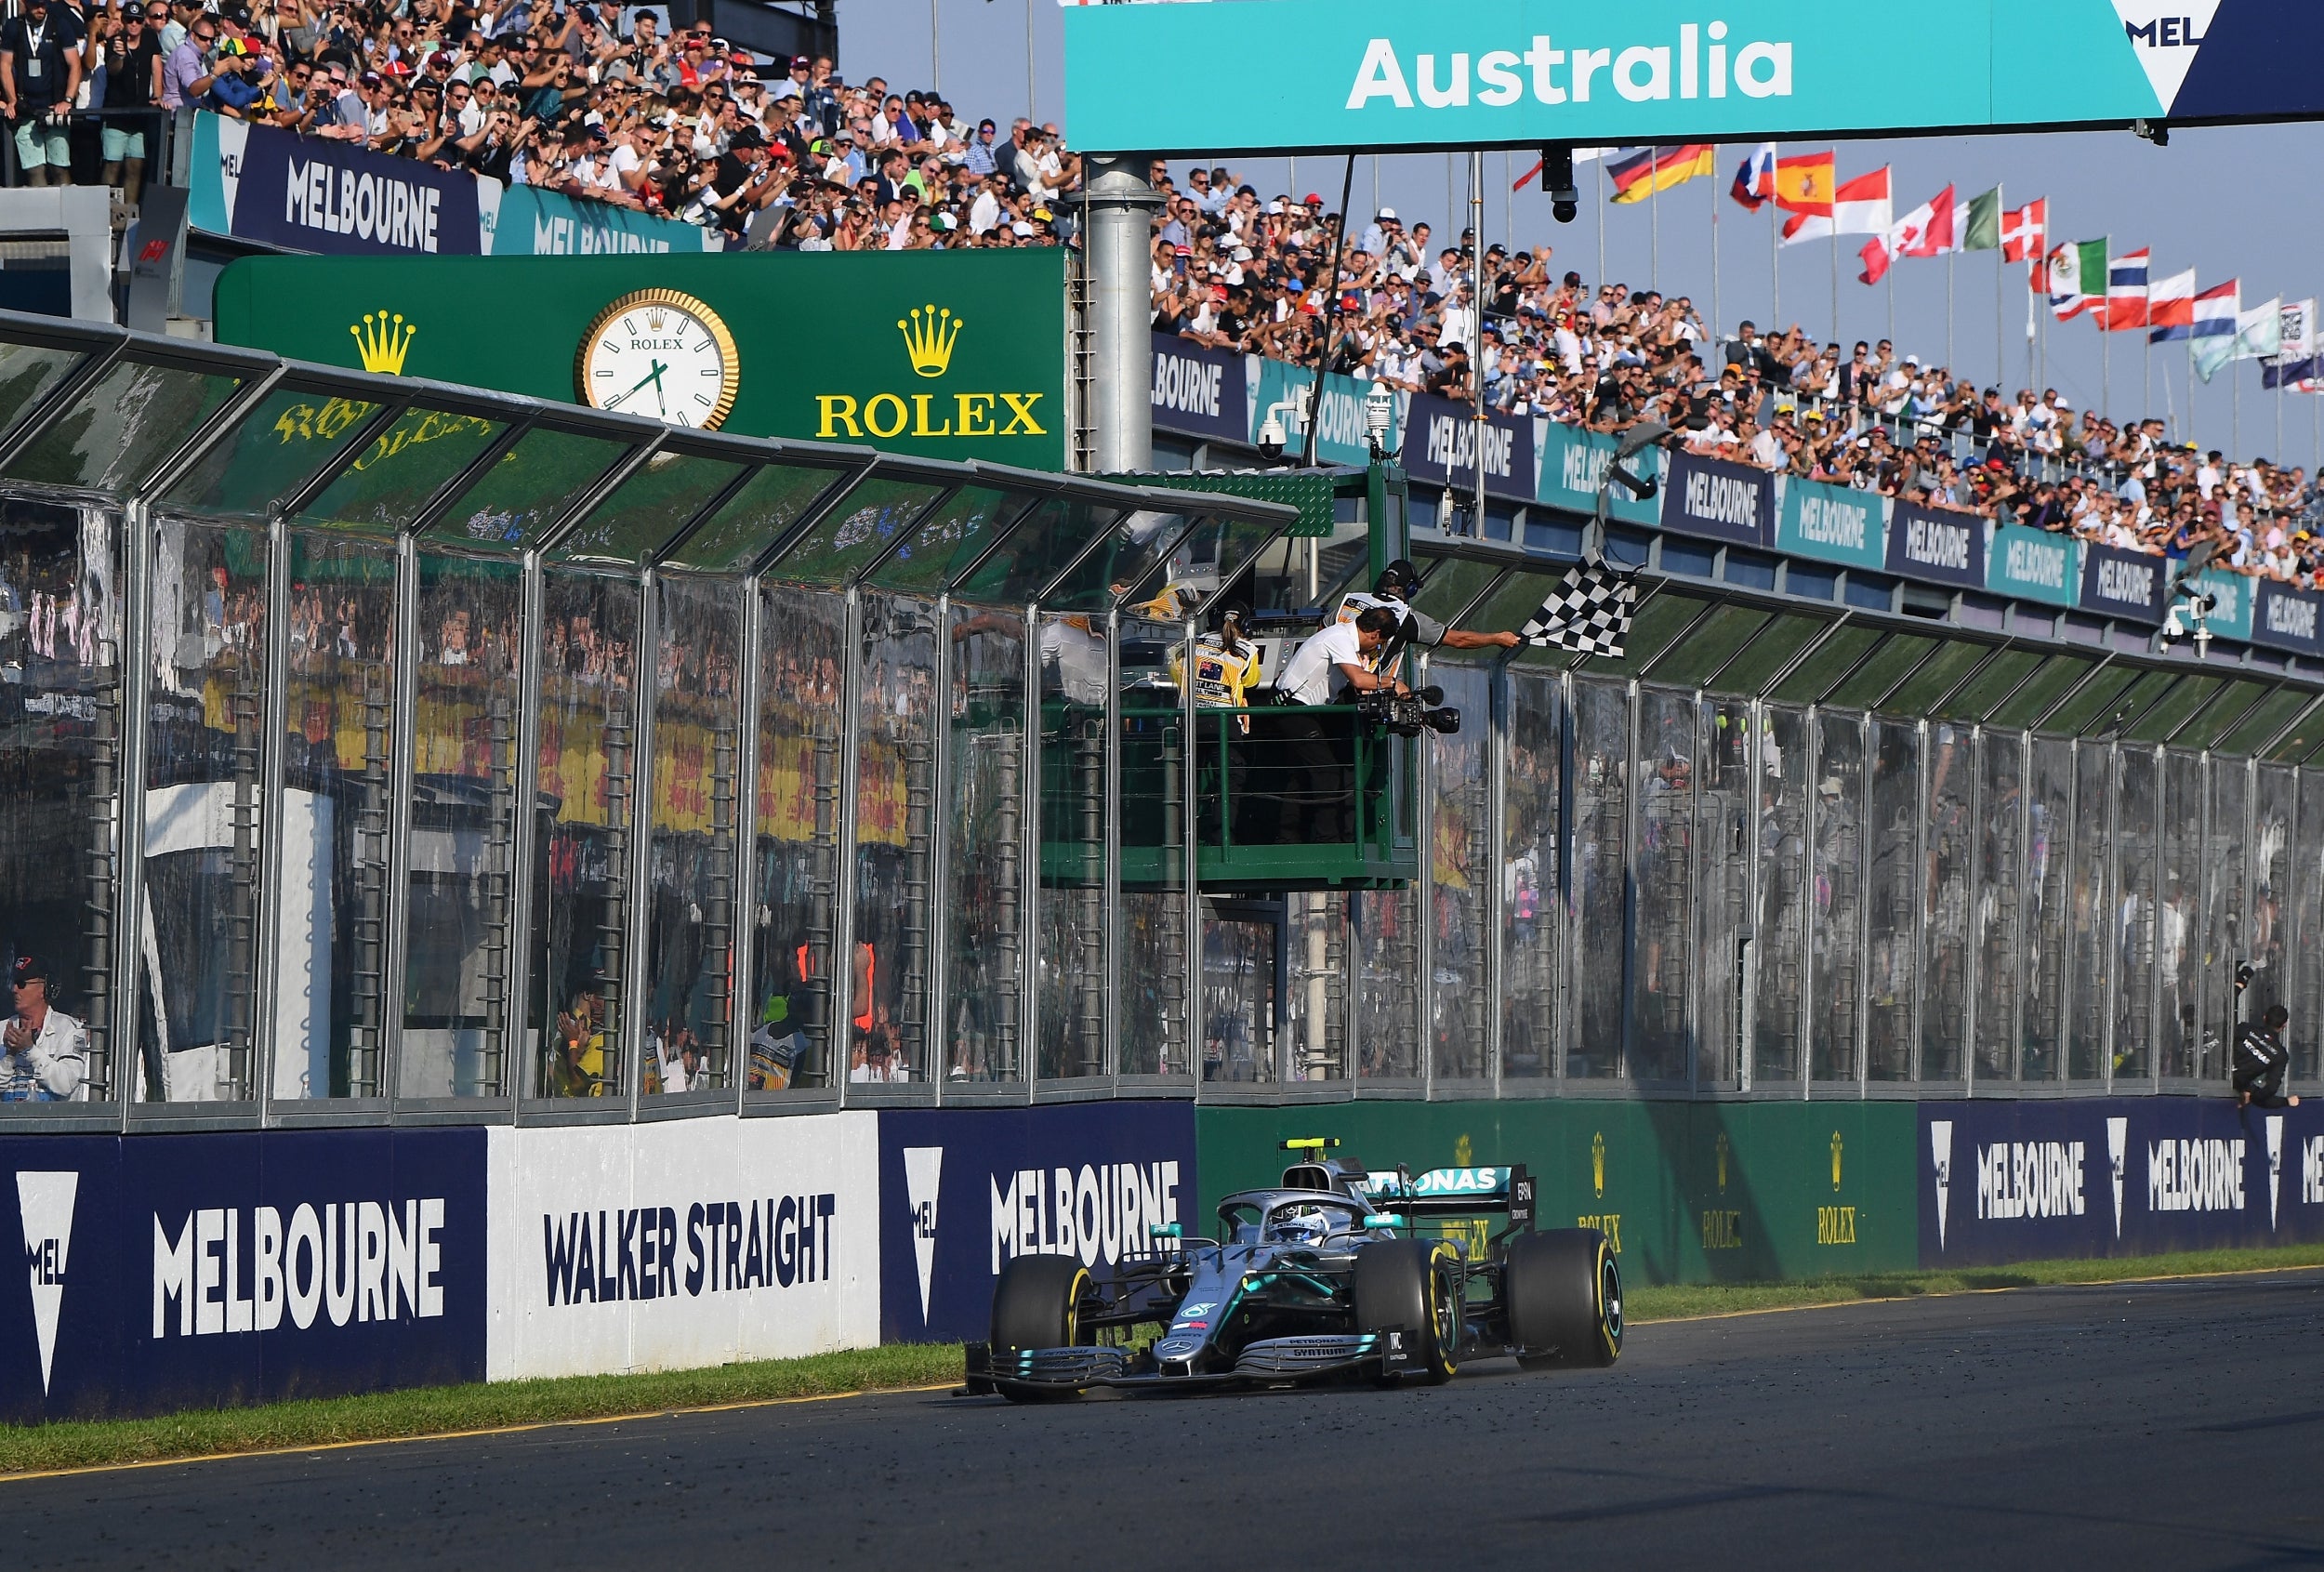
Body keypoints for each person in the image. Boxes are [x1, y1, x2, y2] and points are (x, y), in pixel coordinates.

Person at [1259, 604, 1403, 843]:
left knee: (1302, 774)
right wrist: (1394, 683)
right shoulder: (1340, 638)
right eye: (1379, 643)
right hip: (1293, 707)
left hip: (1304, 709)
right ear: (1375, 634)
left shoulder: (1344, 638)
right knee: (1326, 773)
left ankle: (1287, 837)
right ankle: (1328, 840)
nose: (1377, 648)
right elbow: (1358, 679)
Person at [1334, 559, 1522, 656]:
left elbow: (1323, 630)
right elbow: (1459, 640)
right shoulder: (1406, 618)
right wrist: (1497, 638)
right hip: (1364, 690)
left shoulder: (1350, 599)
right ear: (1410, 589)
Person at [0, 0, 86, 187]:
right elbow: (5, 65)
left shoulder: (59, 24)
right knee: (34, 169)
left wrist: (67, 99)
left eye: (44, 4)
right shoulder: (14, 26)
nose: (40, 9)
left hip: (54, 108)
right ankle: (41, 214)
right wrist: (13, 100)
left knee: (60, 168)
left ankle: (67, 212)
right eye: (35, 4)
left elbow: (75, 65)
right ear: (25, 3)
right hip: (26, 108)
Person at [0, 954, 86, 1102]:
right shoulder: (2, 1028)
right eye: (14, 982)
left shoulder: (70, 1029)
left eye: (21, 984)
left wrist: (30, 1051)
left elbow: (66, 1083)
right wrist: (9, 1056)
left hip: (54, 1124)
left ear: (44, 988)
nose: (14, 989)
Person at [2233, 1004, 2300, 1110]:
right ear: (2284, 1025)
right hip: (2237, 1087)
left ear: (2264, 1017)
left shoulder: (2244, 1028)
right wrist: (2250, 1094)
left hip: (2217, 1078)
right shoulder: (2280, 1055)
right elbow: (2269, 1089)